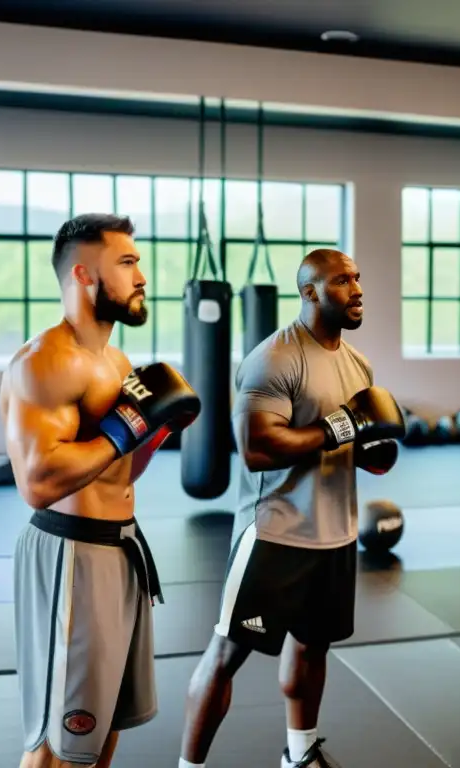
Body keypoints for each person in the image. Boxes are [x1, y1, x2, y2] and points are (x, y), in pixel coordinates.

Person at [179, 248, 405, 768]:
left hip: (336, 534)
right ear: (310, 292)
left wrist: (377, 447)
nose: (357, 289)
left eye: (358, 277)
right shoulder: (274, 358)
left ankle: (299, 753)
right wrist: (341, 427)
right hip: (275, 535)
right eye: (343, 280)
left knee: (313, 645)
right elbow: (257, 449)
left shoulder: (358, 363)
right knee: (226, 654)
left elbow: (363, 451)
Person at [2, 213, 201, 768]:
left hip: (121, 552)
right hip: (71, 558)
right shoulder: (45, 362)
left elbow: (116, 471)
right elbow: (38, 484)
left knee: (103, 726)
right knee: (57, 745)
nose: (142, 277)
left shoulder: (115, 362)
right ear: (86, 275)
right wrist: (124, 429)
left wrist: (155, 430)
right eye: (128, 263)